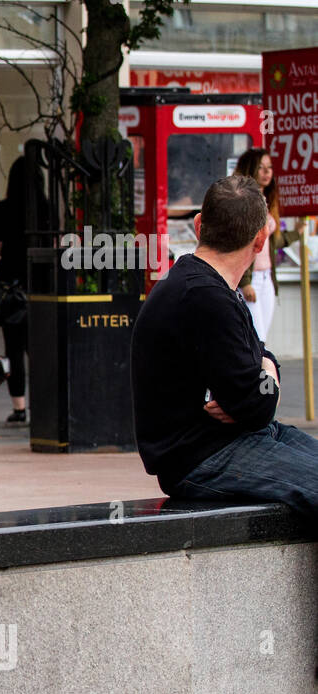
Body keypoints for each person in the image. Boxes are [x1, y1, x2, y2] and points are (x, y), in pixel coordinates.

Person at [130, 175, 318, 519]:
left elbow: (259, 359)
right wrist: (259, 384)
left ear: (200, 224)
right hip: (203, 456)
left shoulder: (203, 283)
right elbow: (260, 403)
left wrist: (263, 374)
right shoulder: (206, 298)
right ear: (260, 241)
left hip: (237, 438)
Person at [0, 156, 46, 423]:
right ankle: (42, 405)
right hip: (40, 285)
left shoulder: (2, 209)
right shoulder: (46, 207)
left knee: (13, 348)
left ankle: (19, 408)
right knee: (40, 349)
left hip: (10, 288)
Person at [233, 148, 280, 343]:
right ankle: (258, 374)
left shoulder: (268, 200)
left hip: (266, 276)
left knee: (262, 337)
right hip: (251, 279)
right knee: (256, 338)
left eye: (269, 168)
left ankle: (259, 372)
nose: (267, 172)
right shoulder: (243, 201)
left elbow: (272, 242)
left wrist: (297, 232)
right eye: (261, 168)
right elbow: (240, 241)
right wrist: (245, 282)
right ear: (250, 169)